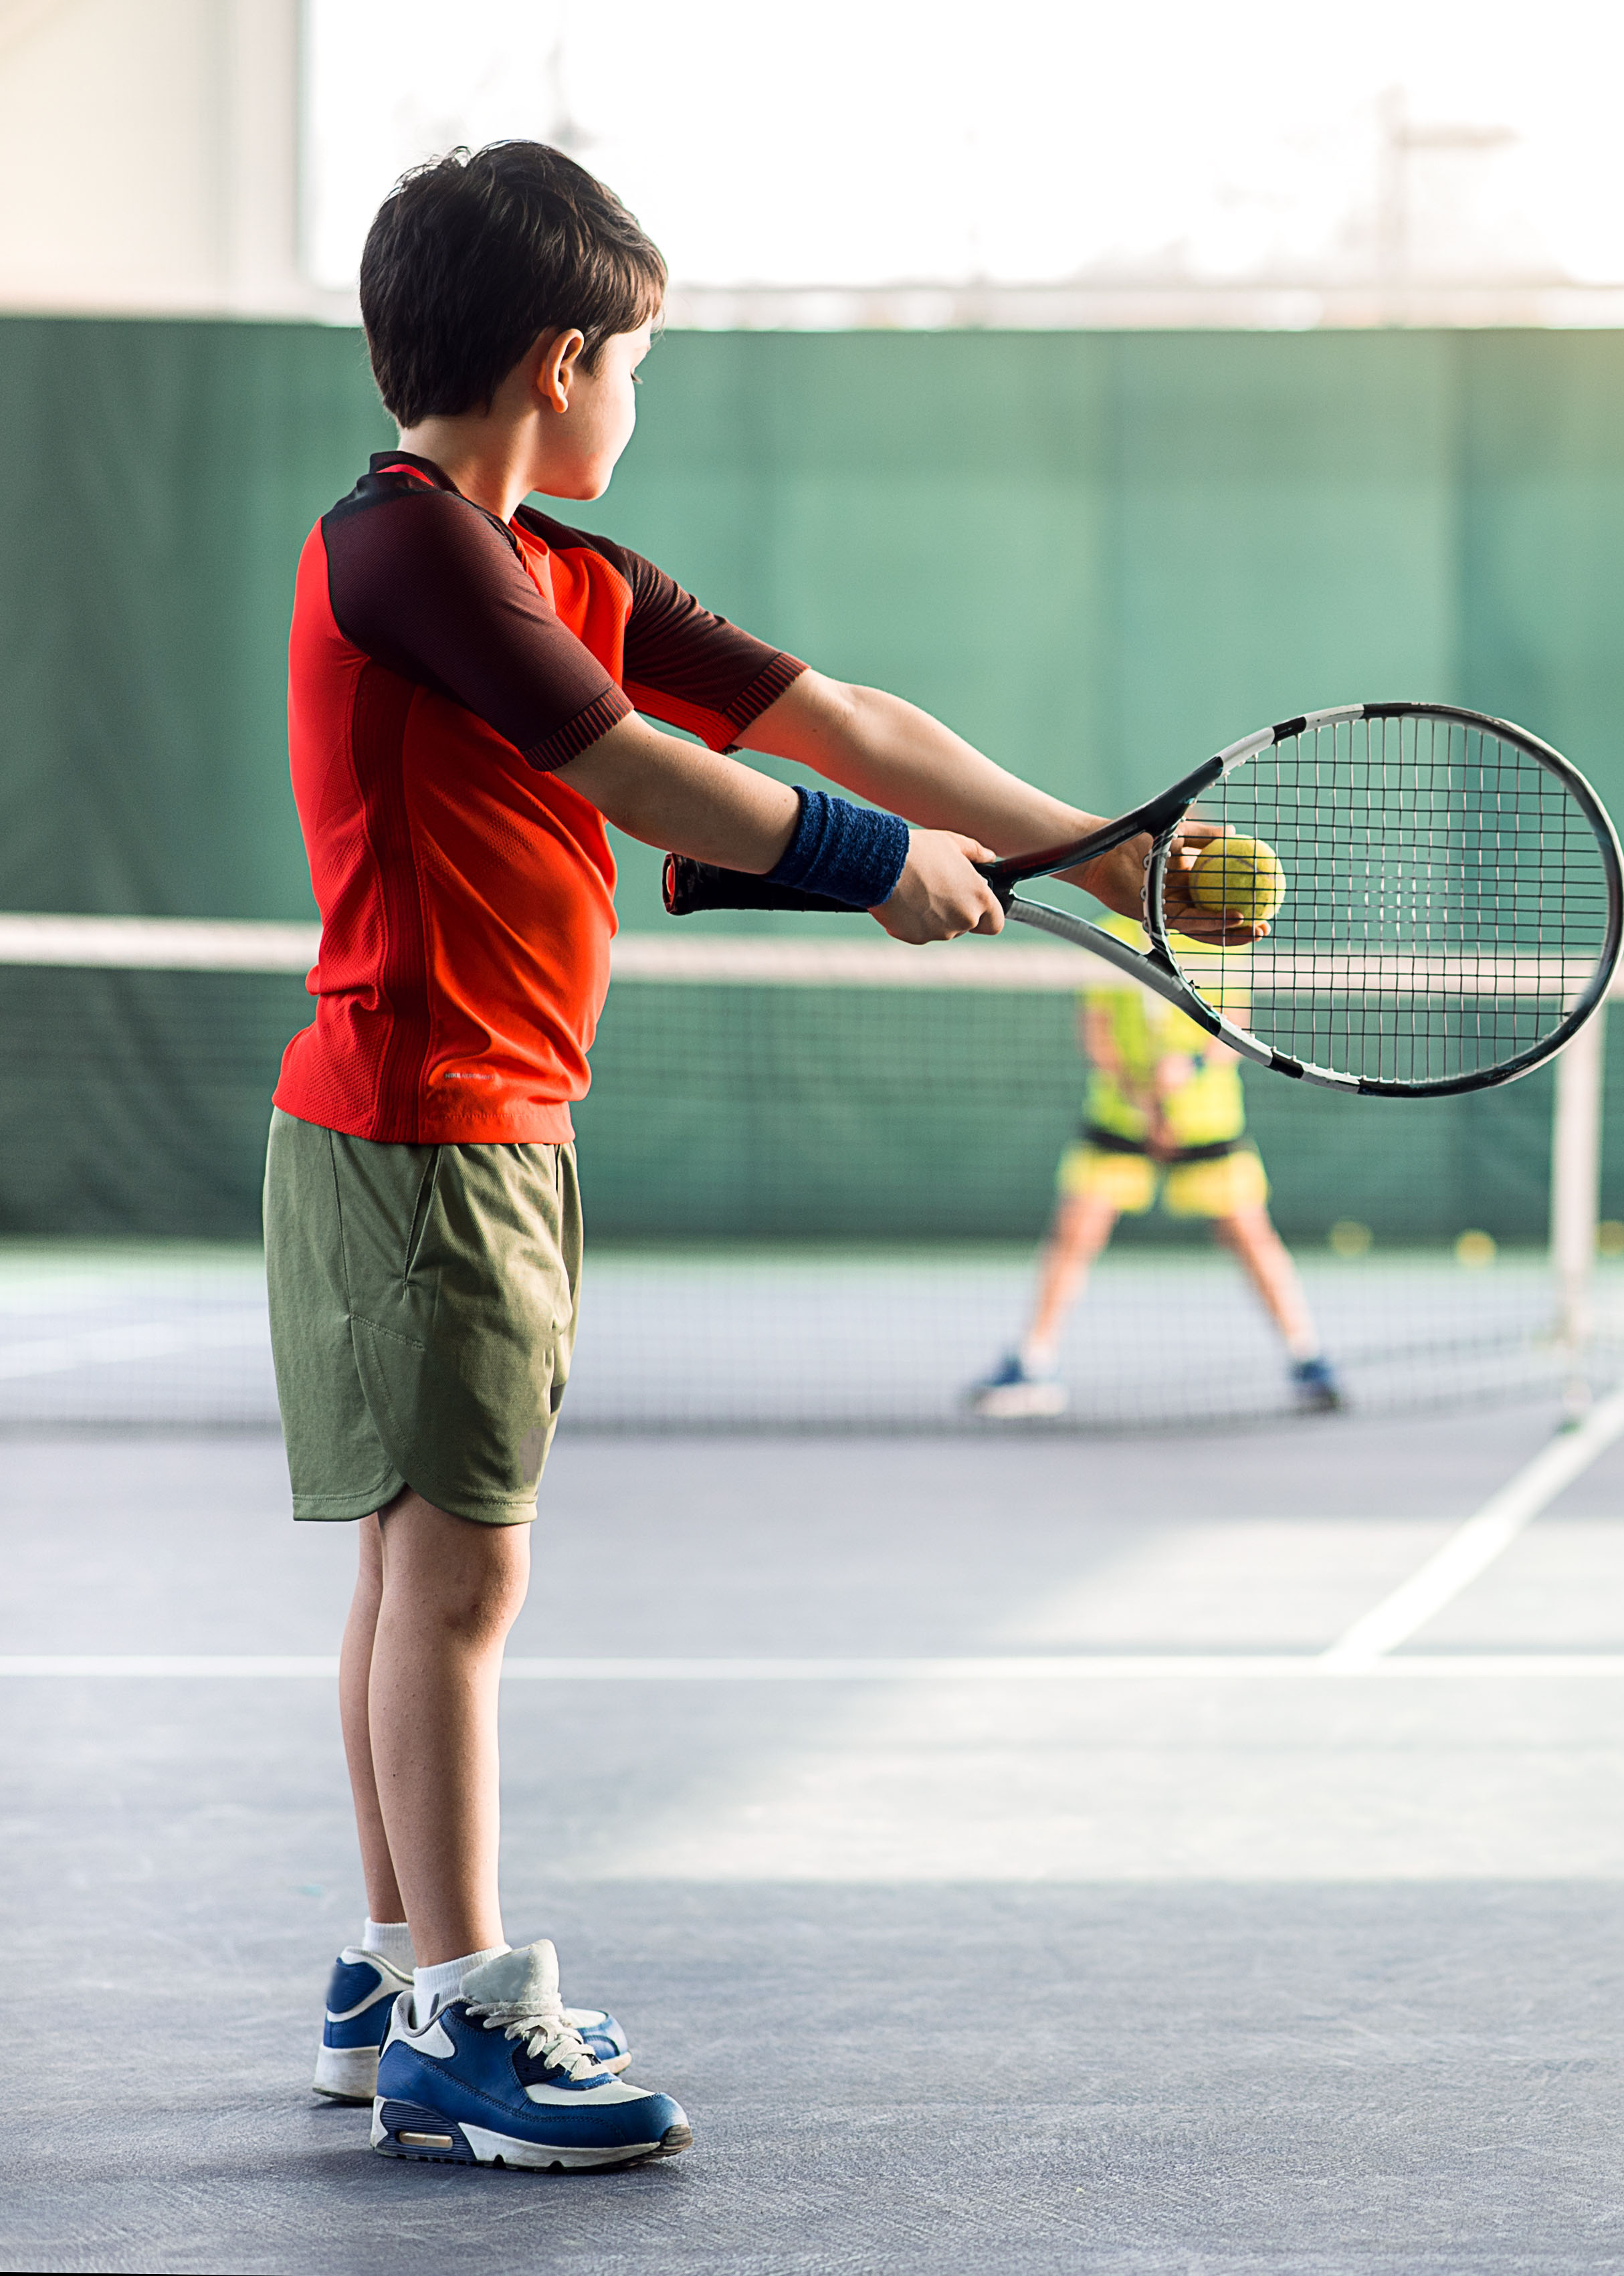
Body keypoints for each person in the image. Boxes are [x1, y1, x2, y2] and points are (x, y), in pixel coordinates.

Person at [273, 141, 1244, 2172]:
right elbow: (637, 775)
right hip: (425, 1124)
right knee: (457, 1571)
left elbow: (841, 718)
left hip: (469, 1125)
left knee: (413, 1558)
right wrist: (877, 870)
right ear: (562, 360)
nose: (639, 395)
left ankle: (388, 1977)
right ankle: (462, 2007)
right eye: (634, 359)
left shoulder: (574, 575)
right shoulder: (408, 550)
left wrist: (1102, 852)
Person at [970, 920, 1342, 1418]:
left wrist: (1190, 1068)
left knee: (1252, 1237)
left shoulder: (1221, 940)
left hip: (1205, 1121)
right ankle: (1033, 1363)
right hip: (1123, 1116)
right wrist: (1143, 1098)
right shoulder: (1104, 933)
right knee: (1074, 1233)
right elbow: (1097, 1033)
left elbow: (1233, 1025)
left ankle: (1308, 1358)